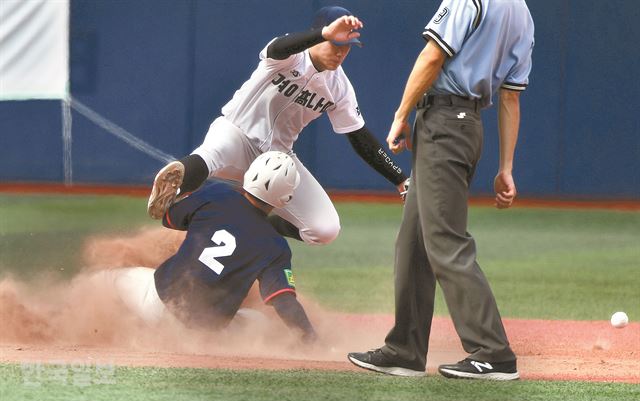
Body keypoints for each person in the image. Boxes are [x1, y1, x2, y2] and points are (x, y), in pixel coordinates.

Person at [348, 0, 534, 380]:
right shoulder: (523, 15)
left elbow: (433, 56)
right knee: (414, 243)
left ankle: (493, 352)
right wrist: (506, 168)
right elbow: (511, 97)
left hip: (445, 124)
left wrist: (401, 114)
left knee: (445, 242)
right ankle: (405, 349)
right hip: (468, 126)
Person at [147, 6, 408, 245]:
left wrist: (400, 180)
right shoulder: (290, 56)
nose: (341, 52)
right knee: (211, 154)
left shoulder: (339, 88)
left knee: (324, 229)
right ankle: (175, 187)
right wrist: (324, 33)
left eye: (348, 45)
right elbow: (279, 48)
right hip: (236, 133)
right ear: (317, 36)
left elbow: (359, 137)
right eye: (335, 43)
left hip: (278, 160)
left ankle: (243, 220)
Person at [113, 152, 317, 343]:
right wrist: (312, 341)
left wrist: (178, 199)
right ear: (285, 199)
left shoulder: (217, 194)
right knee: (259, 321)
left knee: (110, 279)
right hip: (201, 335)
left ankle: (115, 328)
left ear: (249, 175)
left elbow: (169, 219)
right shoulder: (276, 246)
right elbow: (283, 302)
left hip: (155, 301)